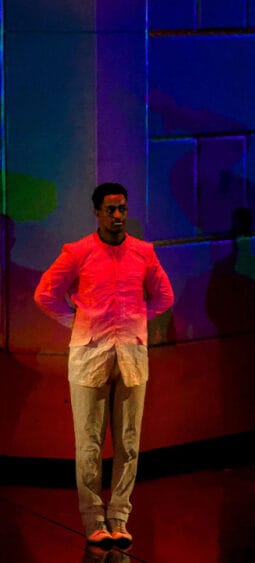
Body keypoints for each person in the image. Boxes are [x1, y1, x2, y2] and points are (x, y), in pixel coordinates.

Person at [33, 182, 175, 549]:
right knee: (89, 443)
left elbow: (164, 296)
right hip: (90, 356)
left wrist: (136, 320)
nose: (117, 215)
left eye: (122, 208)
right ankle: (94, 519)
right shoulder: (78, 251)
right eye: (110, 209)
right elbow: (45, 293)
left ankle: (120, 517)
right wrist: (76, 321)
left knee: (128, 442)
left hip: (131, 356)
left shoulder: (143, 252)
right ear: (97, 212)